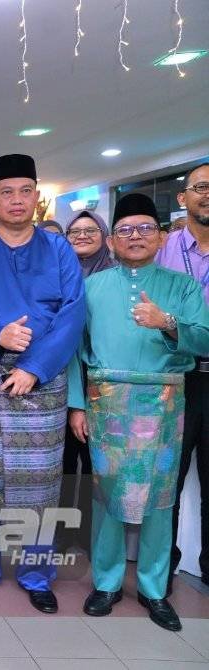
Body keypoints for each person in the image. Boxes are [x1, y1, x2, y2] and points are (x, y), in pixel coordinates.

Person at [0, 154, 85, 613]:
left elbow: (72, 314)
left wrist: (35, 367)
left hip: (41, 382)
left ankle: (35, 572)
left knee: (39, 483)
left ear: (36, 196)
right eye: (7, 191)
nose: (17, 200)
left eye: (26, 190)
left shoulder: (57, 249)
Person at [68, 192, 209, 631]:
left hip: (166, 401)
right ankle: (107, 583)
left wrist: (168, 323)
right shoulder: (91, 288)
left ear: (161, 236)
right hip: (106, 401)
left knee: (160, 499)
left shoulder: (182, 287)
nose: (135, 237)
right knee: (107, 495)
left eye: (145, 228)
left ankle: (153, 587)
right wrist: (76, 405)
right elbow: (75, 351)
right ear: (111, 242)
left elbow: (204, 339)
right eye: (125, 230)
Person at [160, 163, 209, 588]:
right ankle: (164, 565)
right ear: (183, 198)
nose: (208, 195)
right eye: (201, 187)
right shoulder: (164, 248)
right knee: (168, 476)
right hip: (179, 375)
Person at [59, 210, 117, 551]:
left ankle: (95, 537)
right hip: (62, 379)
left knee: (100, 465)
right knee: (65, 464)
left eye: (90, 230)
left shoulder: (115, 276)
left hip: (105, 384)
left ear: (105, 235)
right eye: (74, 231)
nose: (81, 235)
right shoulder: (59, 275)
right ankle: (64, 534)